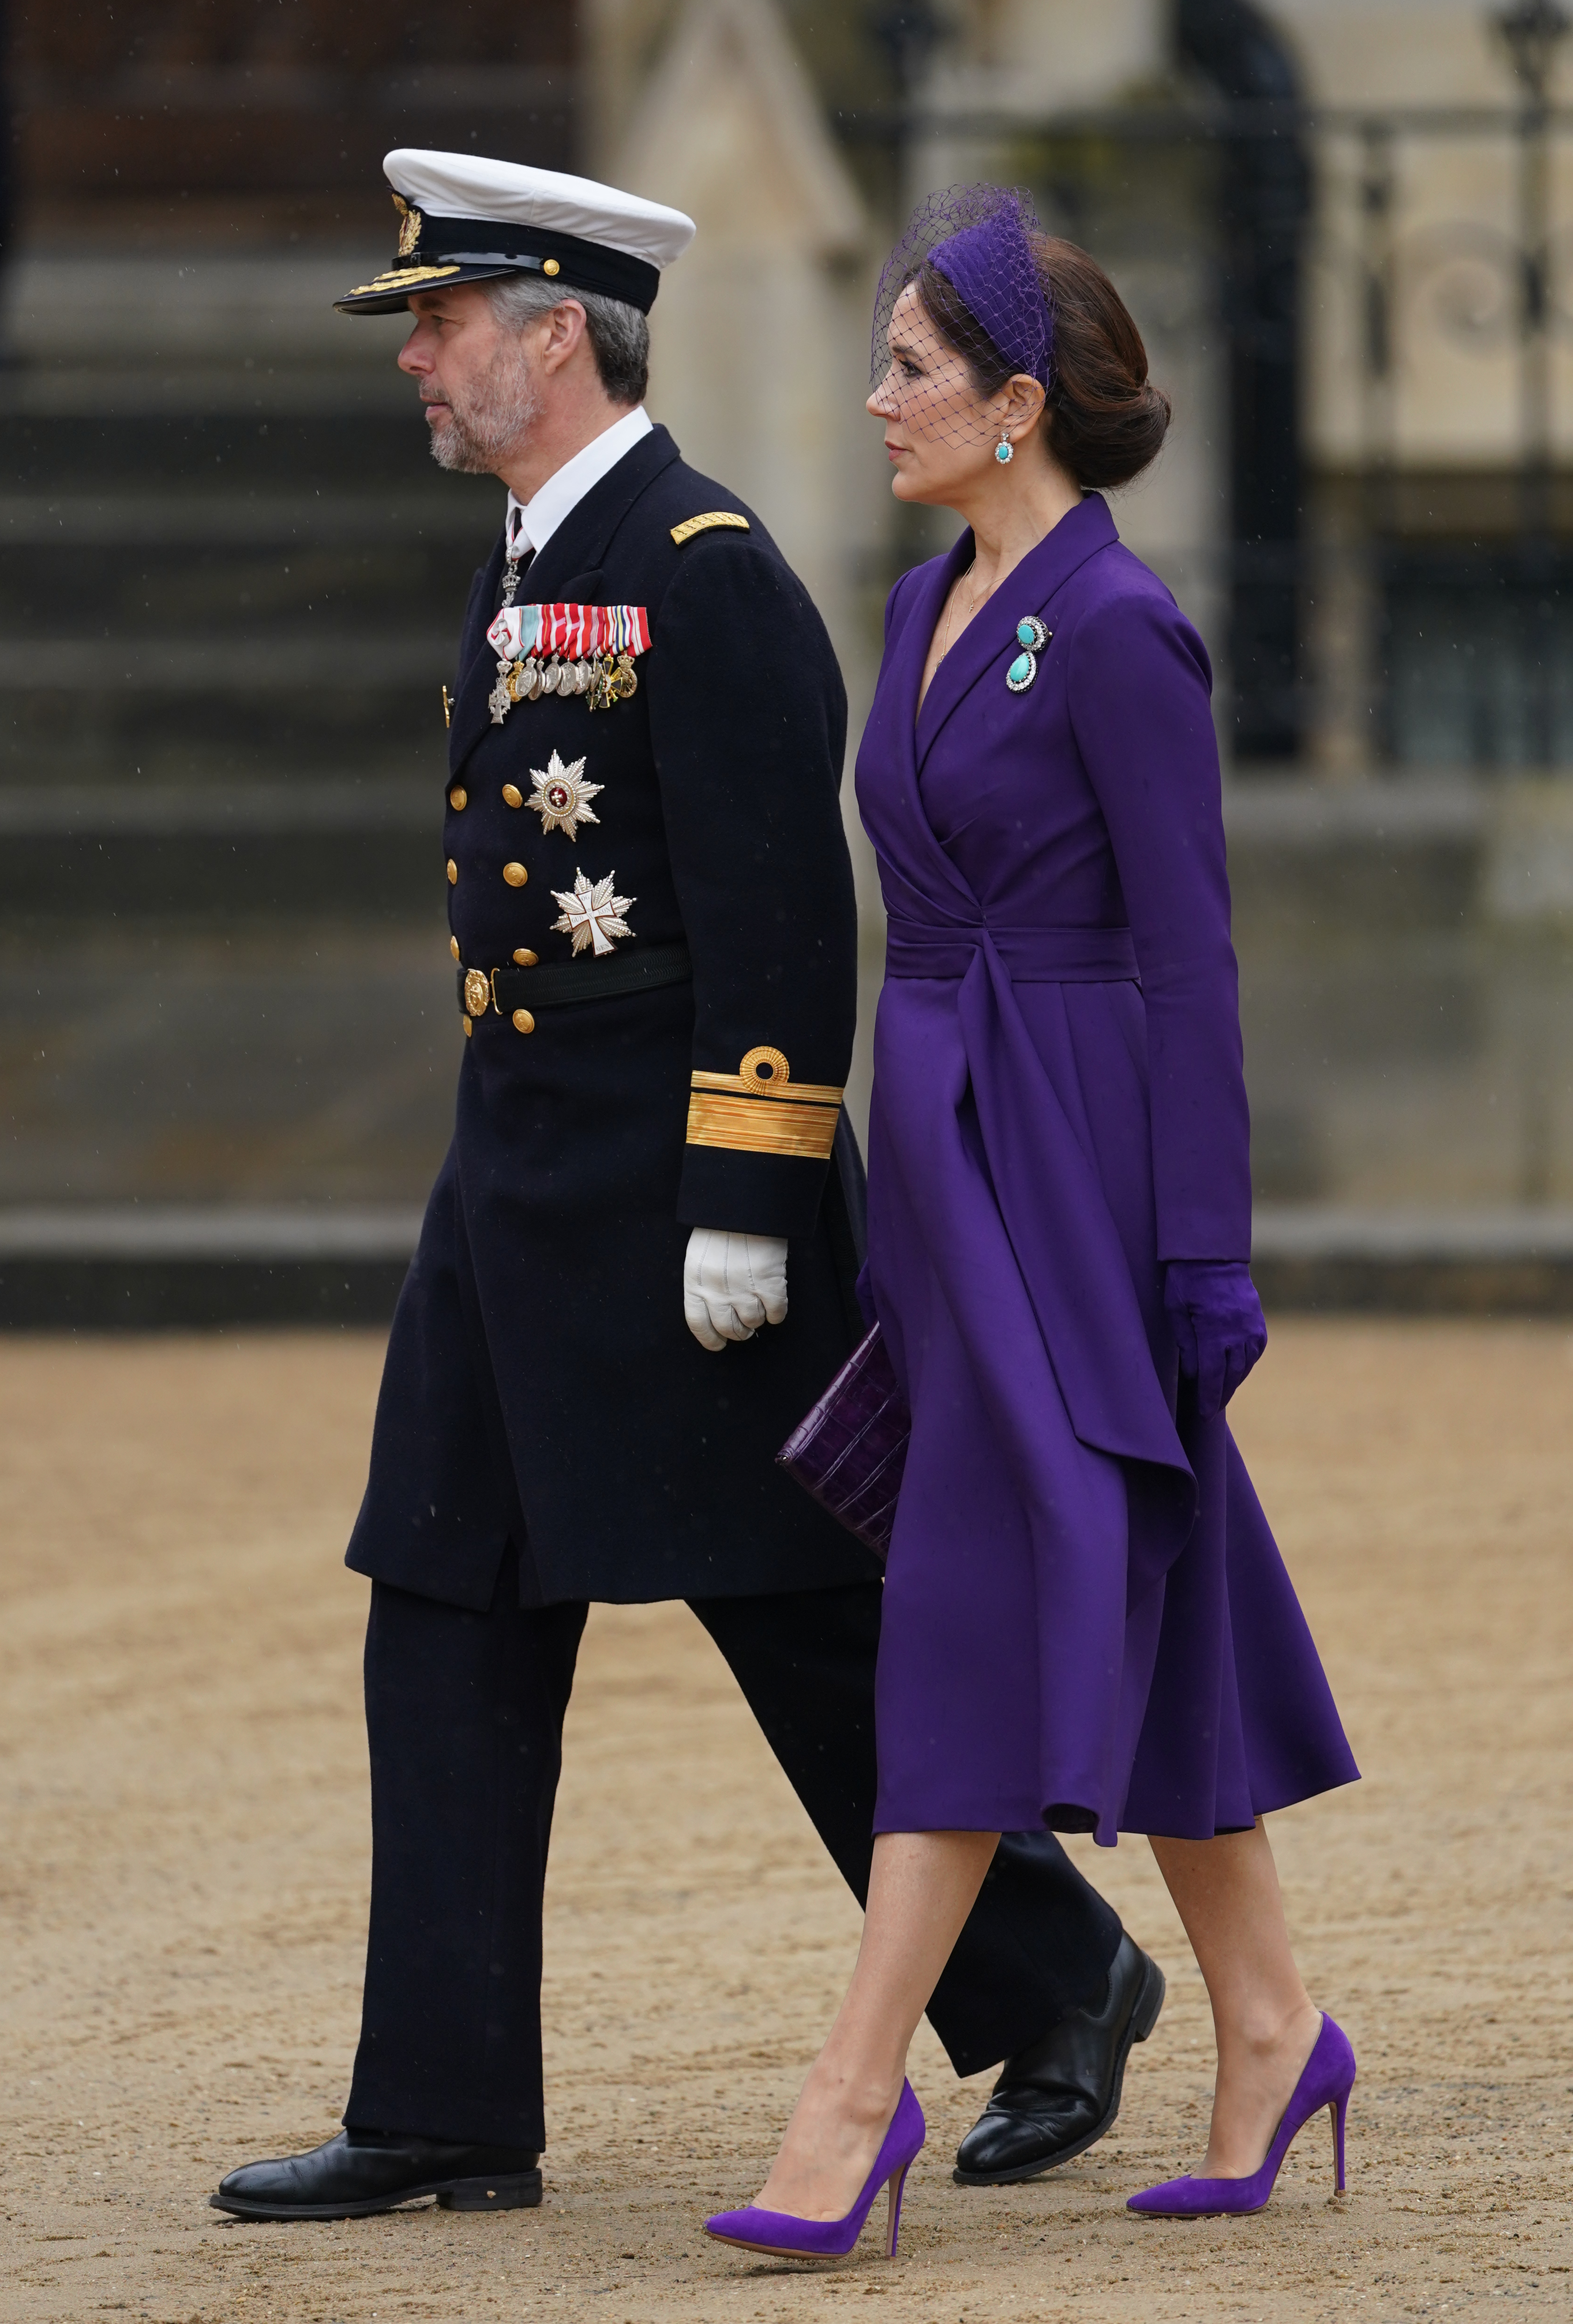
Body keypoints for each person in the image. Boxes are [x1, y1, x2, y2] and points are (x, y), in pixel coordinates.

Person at [210, 153, 1167, 2227]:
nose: (424, 363)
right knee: (444, 1601)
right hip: (511, 1187)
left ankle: (1054, 1970)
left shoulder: (703, 560)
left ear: (559, 330)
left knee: (797, 1609)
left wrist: (744, 1186)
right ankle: (445, 2096)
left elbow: (769, 910)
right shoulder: (526, 549)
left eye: (448, 325)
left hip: (671, 1202)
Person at [704, 187, 1361, 2266]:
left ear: (1011, 403)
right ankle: (1267, 2020)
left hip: (1077, 1159)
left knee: (976, 1591)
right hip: (944, 1156)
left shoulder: (1120, 627)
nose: (873, 396)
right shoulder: (912, 610)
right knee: (1138, 1565)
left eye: (907, 366)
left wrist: (1202, 1251)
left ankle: (850, 2088)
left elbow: (1192, 967)